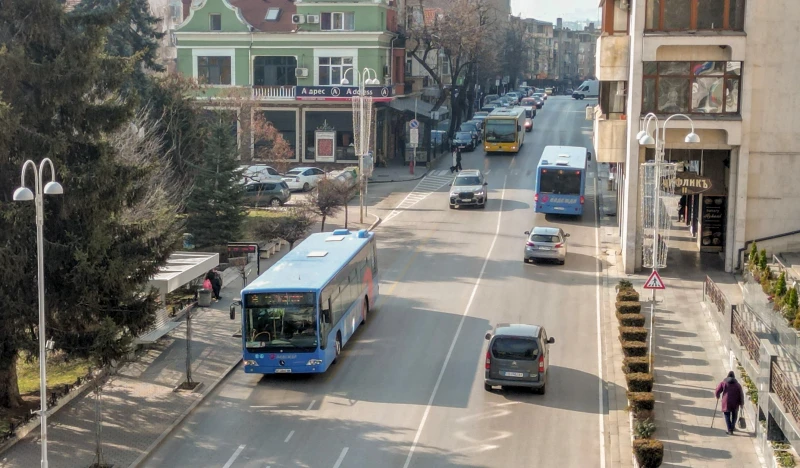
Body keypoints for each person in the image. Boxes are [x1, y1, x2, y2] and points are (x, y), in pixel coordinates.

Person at [715, 370, 745, 435]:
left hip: (726, 402)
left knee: (727, 415)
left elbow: (717, 390)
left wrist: (717, 396)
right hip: (735, 402)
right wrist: (742, 403)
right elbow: (741, 394)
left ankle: (729, 430)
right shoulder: (738, 385)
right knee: (734, 416)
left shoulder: (723, 383)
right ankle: (732, 427)